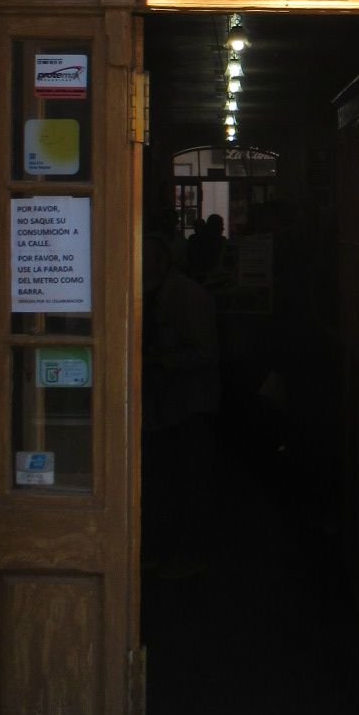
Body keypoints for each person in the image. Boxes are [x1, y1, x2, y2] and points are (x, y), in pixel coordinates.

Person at [141, 232, 221, 568]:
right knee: (165, 480)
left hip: (187, 405)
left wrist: (161, 360)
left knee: (186, 481)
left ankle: (187, 554)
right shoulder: (150, 291)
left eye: (145, 257)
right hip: (163, 405)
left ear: (162, 261)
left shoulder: (188, 297)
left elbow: (206, 352)